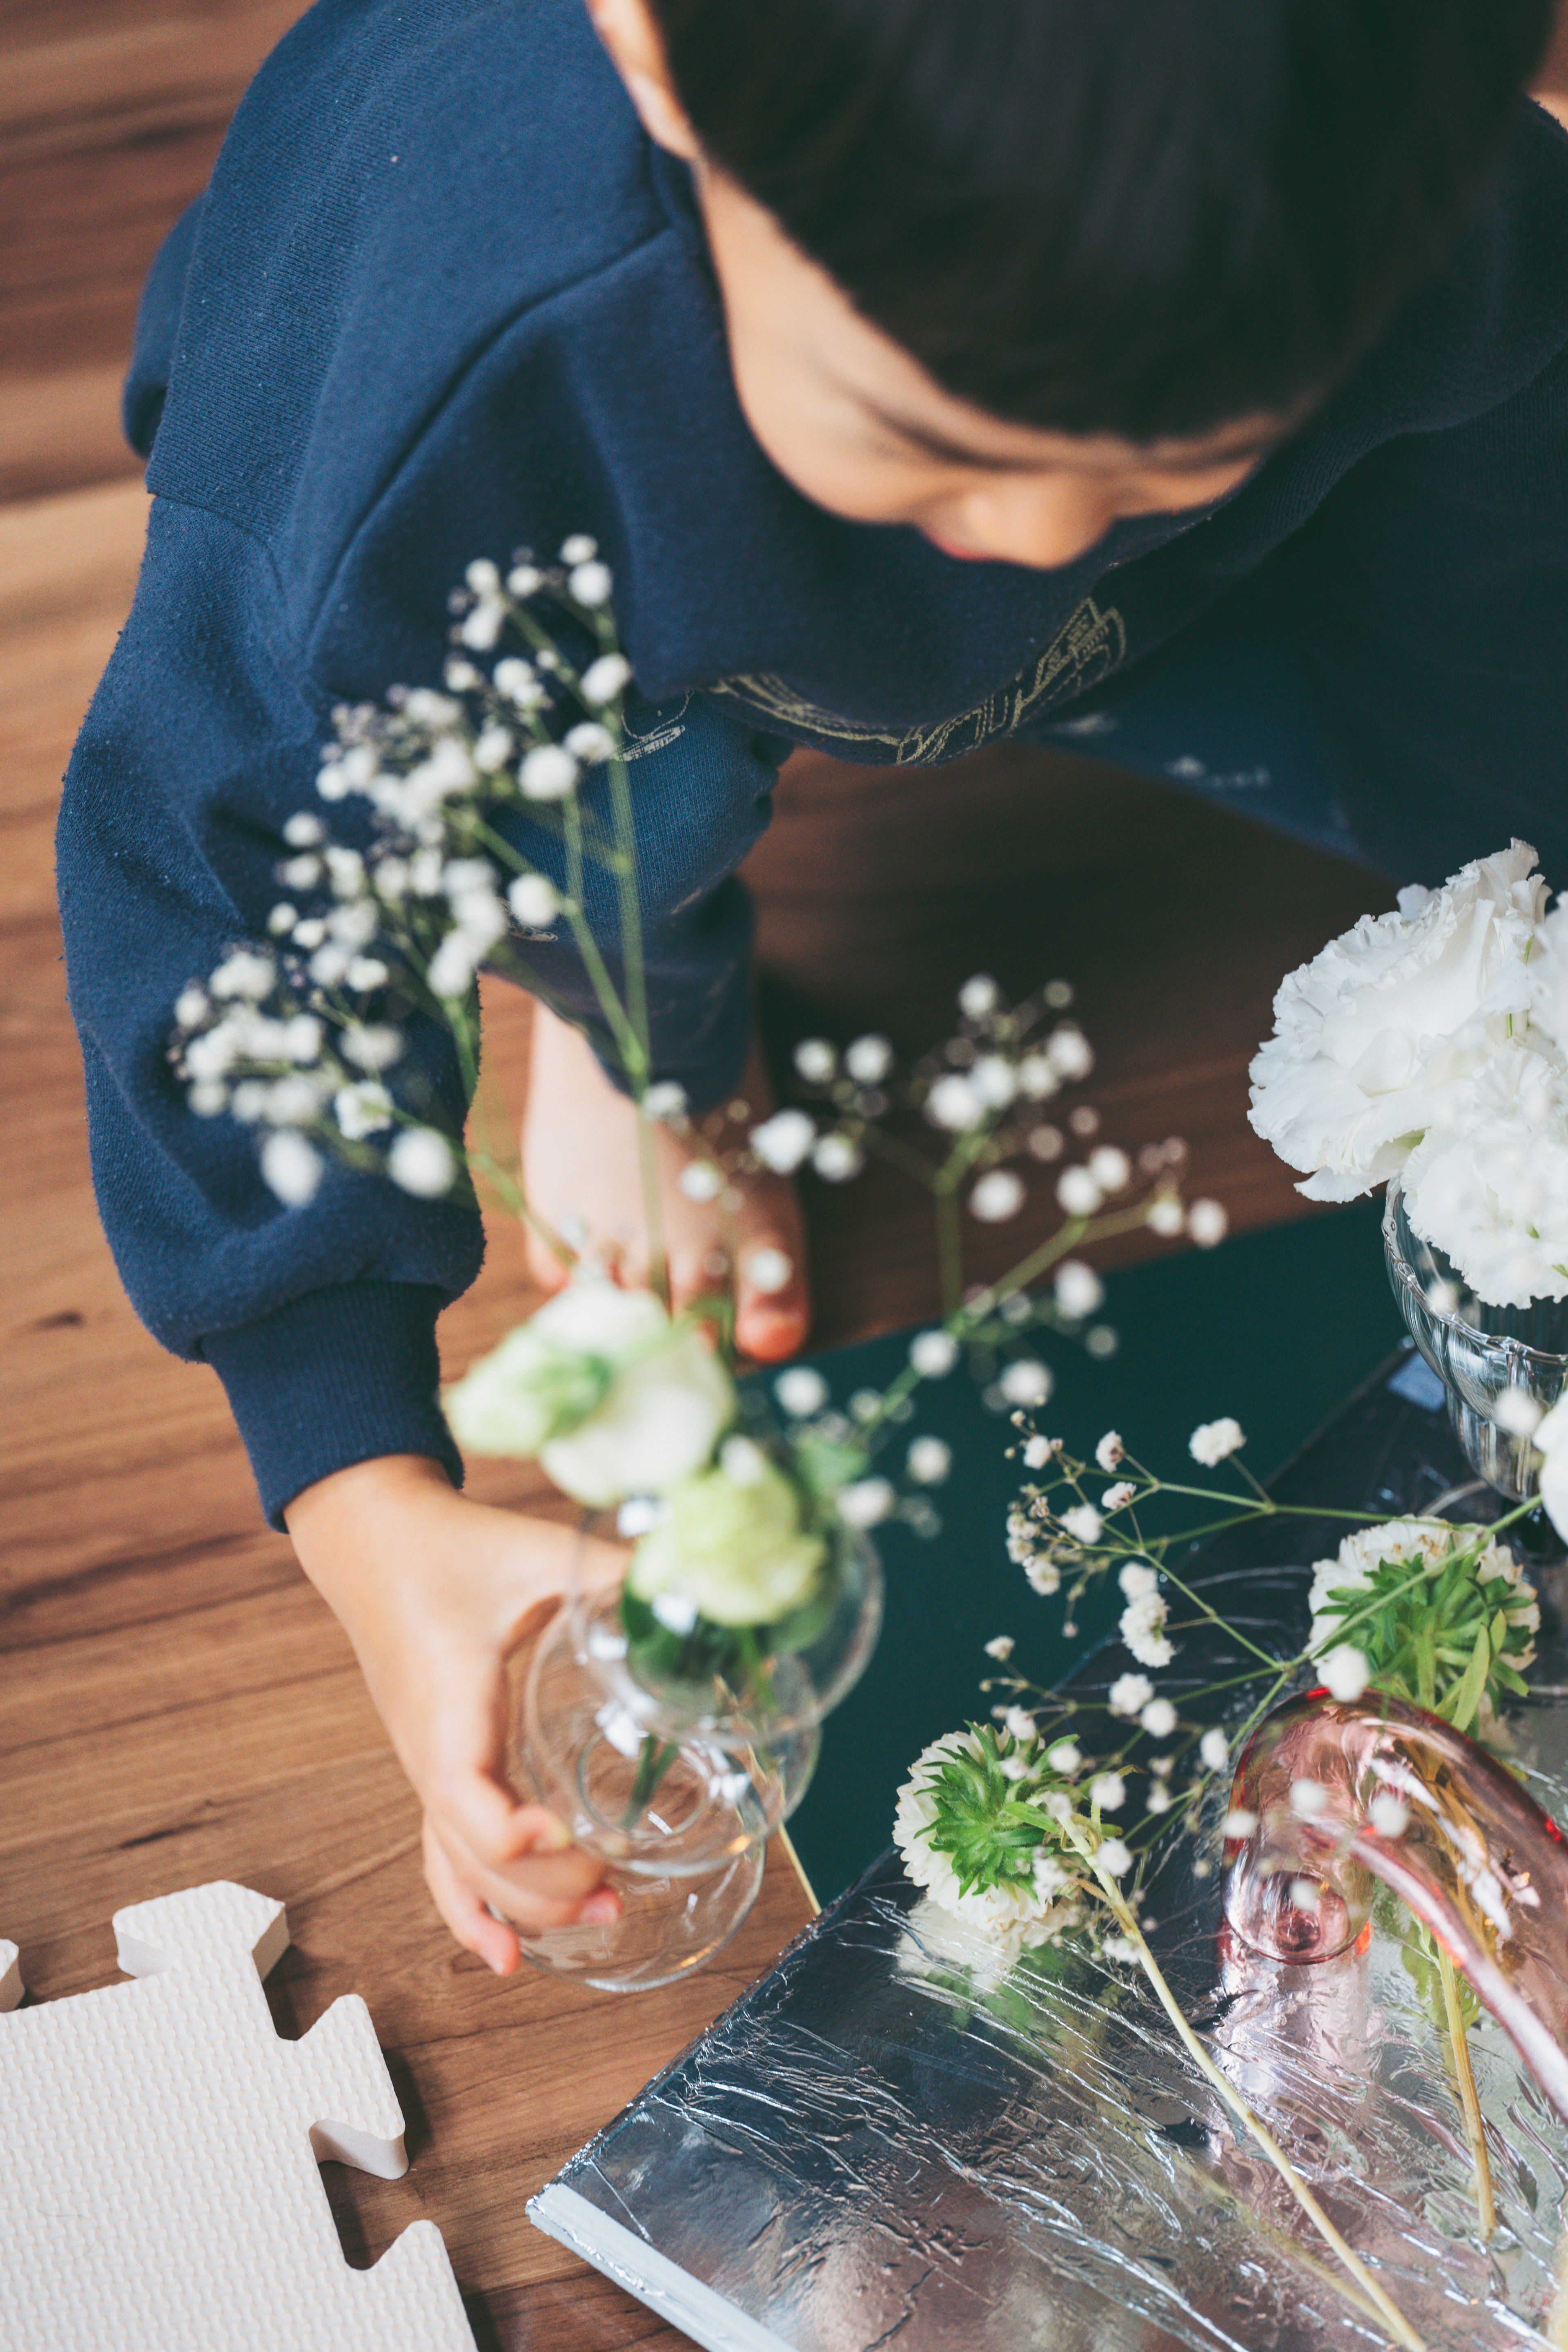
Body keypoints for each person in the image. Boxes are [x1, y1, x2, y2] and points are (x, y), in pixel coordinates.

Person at [59, 0, 1566, 1968]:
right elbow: (227, 868)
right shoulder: (468, 380)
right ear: (666, 59)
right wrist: (361, 1491)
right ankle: (631, 1018)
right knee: (592, 813)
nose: (1027, 530)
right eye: (933, 432)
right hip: (532, 581)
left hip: (1186, 590)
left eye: (1153, 447)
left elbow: (1494, 534)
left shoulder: (1420, 183)